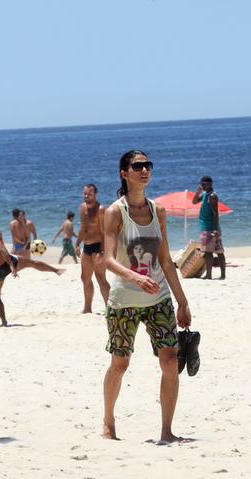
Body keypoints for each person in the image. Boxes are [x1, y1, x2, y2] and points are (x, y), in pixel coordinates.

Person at [102, 150, 192, 444]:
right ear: (124, 173)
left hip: (159, 300)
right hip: (124, 301)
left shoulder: (158, 211)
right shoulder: (116, 212)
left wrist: (182, 301)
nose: (145, 170)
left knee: (169, 361)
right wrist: (135, 276)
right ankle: (108, 421)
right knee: (120, 364)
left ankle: (167, 430)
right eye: (138, 166)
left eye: (147, 165)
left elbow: (165, 260)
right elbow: (108, 259)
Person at [0, 208, 64, 326]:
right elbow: (2, 249)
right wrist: (11, 265)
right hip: (6, 264)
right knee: (32, 263)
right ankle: (56, 270)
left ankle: (4, 321)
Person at [74, 184, 110, 314]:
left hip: (98, 247)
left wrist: (101, 252)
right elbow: (83, 228)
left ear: (95, 195)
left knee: (101, 278)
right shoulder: (82, 208)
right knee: (85, 278)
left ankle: (109, 308)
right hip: (87, 247)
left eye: (89, 194)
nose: (86, 196)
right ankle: (87, 308)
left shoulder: (101, 210)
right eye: (84, 193)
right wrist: (77, 244)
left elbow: (106, 232)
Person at [192, 176, 226, 279]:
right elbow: (194, 202)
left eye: (204, 184)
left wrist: (216, 229)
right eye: (201, 184)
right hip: (206, 226)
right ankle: (212, 275)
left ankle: (214, 275)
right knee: (210, 252)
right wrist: (197, 192)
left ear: (210, 184)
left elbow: (215, 213)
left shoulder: (212, 196)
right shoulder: (204, 195)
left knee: (213, 252)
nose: (202, 186)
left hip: (210, 227)